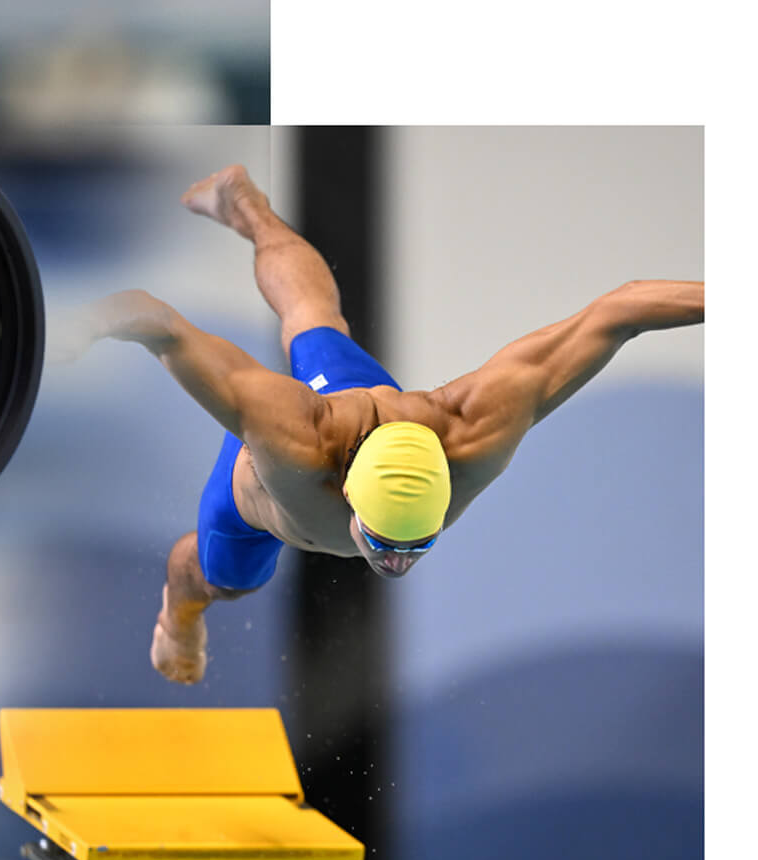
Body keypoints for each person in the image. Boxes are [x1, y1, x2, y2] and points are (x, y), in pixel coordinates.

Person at [72, 165, 703, 685]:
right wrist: (79, 325)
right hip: (260, 480)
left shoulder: (476, 430)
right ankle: (179, 619)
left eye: (414, 547)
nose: (396, 566)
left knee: (319, 318)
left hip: (363, 408)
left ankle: (248, 204)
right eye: (384, 545)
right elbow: (158, 322)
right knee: (218, 581)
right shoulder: (294, 437)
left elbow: (619, 311)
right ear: (347, 494)